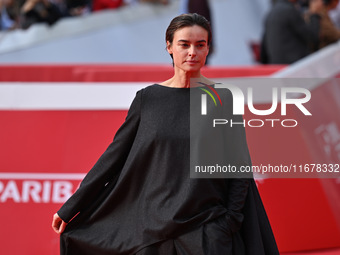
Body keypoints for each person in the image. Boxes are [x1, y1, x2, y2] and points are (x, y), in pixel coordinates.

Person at [52, 13, 279, 255]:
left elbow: (239, 167)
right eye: (184, 44)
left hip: (206, 231)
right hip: (152, 233)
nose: (192, 52)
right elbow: (113, 158)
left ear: (208, 49)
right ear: (169, 46)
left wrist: (229, 222)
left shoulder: (223, 99)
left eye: (200, 45)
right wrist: (71, 207)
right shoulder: (148, 99)